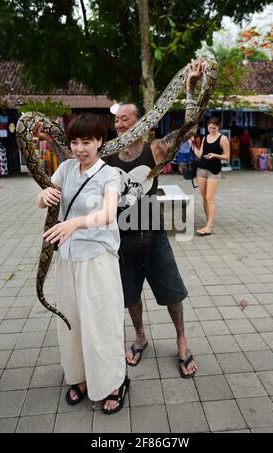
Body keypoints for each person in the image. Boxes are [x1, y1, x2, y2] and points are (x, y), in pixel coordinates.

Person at [105, 61, 204, 378]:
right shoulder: (107, 154)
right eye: (117, 120)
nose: (120, 124)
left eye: (126, 118)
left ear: (142, 122)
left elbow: (188, 129)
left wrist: (190, 89)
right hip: (120, 235)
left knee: (173, 292)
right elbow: (74, 155)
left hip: (152, 230)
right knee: (130, 294)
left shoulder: (156, 149)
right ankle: (140, 337)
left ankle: (181, 339)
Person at [36, 113, 129, 414]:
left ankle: (114, 382)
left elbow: (108, 215)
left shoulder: (109, 175)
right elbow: (44, 199)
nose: (79, 148)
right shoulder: (65, 168)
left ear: (100, 141)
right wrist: (44, 194)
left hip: (97, 261)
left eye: (86, 142)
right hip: (69, 259)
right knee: (71, 321)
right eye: (74, 141)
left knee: (100, 323)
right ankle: (79, 377)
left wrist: (74, 224)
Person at [191, 116, 230, 236]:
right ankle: (208, 222)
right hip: (201, 170)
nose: (212, 129)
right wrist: (192, 143)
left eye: (214, 128)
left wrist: (215, 155)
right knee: (204, 198)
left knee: (209, 198)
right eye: (210, 127)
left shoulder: (223, 139)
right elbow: (199, 154)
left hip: (214, 171)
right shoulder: (205, 138)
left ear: (218, 127)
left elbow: (227, 156)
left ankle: (209, 227)